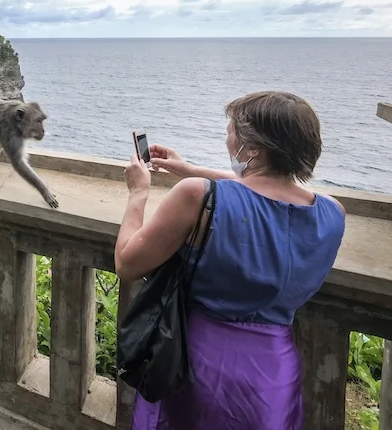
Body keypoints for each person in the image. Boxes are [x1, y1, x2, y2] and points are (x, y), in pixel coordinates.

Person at [114, 91, 346, 430]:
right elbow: (266, 194)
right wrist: (190, 169)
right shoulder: (332, 213)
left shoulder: (194, 195)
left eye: (231, 132)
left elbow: (127, 263)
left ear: (252, 149)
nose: (227, 137)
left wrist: (138, 193)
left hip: (196, 365)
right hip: (273, 373)